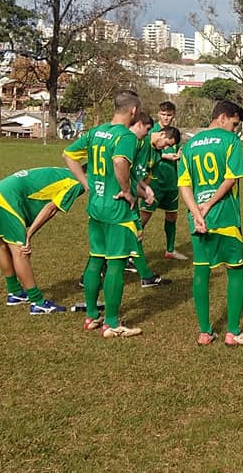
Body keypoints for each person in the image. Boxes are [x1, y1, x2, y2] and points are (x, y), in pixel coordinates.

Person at [63, 90, 145, 338]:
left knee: (95, 259)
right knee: (116, 264)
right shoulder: (125, 136)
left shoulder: (95, 131)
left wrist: (85, 182)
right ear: (133, 111)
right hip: (116, 209)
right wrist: (128, 192)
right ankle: (111, 323)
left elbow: (67, 154)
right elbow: (120, 162)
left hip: (96, 206)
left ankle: (91, 316)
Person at [177, 100, 243, 346]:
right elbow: (231, 178)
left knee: (201, 270)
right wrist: (209, 204)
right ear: (223, 117)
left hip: (197, 219)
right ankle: (232, 332)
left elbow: (184, 184)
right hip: (225, 216)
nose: (234, 130)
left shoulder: (189, 146)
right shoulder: (230, 142)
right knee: (235, 270)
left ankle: (204, 332)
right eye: (234, 124)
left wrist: (196, 212)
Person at [0, 167, 86, 314]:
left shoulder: (66, 171)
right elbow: (50, 209)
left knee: (4, 245)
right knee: (21, 251)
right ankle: (37, 302)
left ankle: (15, 292)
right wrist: (29, 234)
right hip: (9, 198)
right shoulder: (78, 183)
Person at [125, 112, 177, 287]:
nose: (165, 148)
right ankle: (89, 276)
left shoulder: (155, 153)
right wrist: (129, 191)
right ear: (161, 134)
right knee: (124, 234)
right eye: (166, 144)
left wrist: (146, 190)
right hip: (120, 196)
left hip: (131, 194)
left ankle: (145, 275)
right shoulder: (138, 142)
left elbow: (137, 174)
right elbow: (122, 167)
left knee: (133, 233)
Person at [139, 101, 187, 260]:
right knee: (143, 218)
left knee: (172, 216)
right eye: (163, 114)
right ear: (159, 114)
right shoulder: (150, 131)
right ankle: (131, 252)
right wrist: (164, 156)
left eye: (169, 115)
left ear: (174, 115)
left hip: (171, 182)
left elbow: (177, 151)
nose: (166, 118)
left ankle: (170, 250)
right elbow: (147, 155)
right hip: (154, 182)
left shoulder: (173, 134)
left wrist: (178, 158)